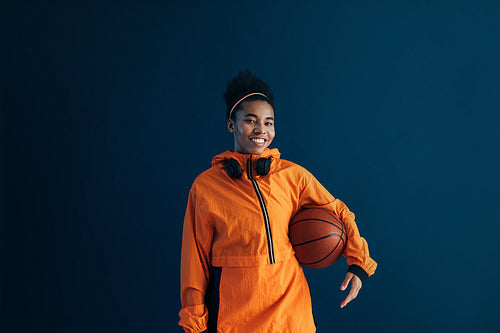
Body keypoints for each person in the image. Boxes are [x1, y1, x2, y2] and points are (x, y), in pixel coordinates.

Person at [179, 70, 377, 332]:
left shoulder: (291, 175)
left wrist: (358, 262)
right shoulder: (206, 186)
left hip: (290, 313)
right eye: (250, 121)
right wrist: (195, 321)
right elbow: (194, 260)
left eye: (269, 122)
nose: (261, 129)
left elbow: (338, 210)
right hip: (236, 316)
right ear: (231, 124)